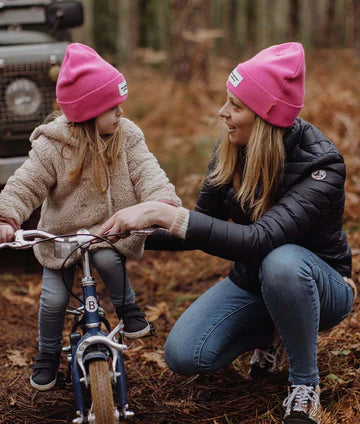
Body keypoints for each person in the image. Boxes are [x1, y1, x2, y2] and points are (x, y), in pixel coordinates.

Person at [97, 42, 355, 424]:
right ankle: (277, 332)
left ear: (265, 116)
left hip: (322, 285)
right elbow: (202, 225)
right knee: (185, 355)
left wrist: (162, 212)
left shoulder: (321, 166)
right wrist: (126, 231)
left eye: (235, 105)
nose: (223, 112)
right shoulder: (231, 150)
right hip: (253, 282)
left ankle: (305, 387)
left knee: (281, 260)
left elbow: (258, 240)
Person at [0, 43, 180, 391]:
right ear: (87, 111)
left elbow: (148, 171)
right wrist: (7, 218)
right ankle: (49, 356)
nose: (120, 111)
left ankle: (129, 313)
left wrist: (161, 201)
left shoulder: (126, 136)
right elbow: (25, 184)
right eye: (112, 107)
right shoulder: (51, 146)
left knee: (108, 261)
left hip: (107, 230)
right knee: (53, 300)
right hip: (60, 239)